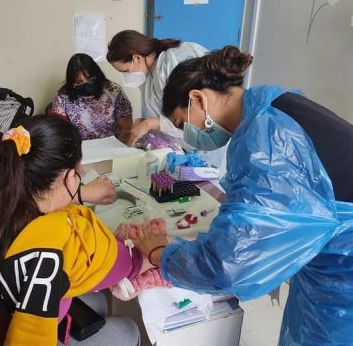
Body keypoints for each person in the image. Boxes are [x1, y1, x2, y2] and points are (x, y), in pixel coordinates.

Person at [133, 45, 353, 346]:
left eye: (184, 124)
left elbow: (230, 263)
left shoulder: (269, 141)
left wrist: (161, 254)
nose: (187, 134)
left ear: (198, 99)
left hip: (343, 275)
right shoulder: (273, 106)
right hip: (330, 258)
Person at [0, 116, 145, 346]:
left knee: (96, 302)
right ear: (67, 177)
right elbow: (124, 265)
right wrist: (148, 251)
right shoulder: (52, 239)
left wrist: (80, 194)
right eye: (77, 173)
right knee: (126, 330)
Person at [106, 29, 208, 146]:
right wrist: (145, 122)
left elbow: (195, 118)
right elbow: (161, 111)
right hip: (182, 146)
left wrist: (153, 124)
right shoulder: (148, 74)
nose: (126, 76)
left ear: (137, 58)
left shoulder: (173, 62)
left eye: (125, 71)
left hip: (206, 146)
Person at [49, 53, 133, 144]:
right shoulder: (62, 96)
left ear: (97, 75)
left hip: (112, 144)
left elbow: (126, 127)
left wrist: (120, 147)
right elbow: (60, 130)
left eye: (90, 79)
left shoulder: (113, 90)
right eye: (79, 82)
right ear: (72, 82)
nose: (85, 84)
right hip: (80, 147)